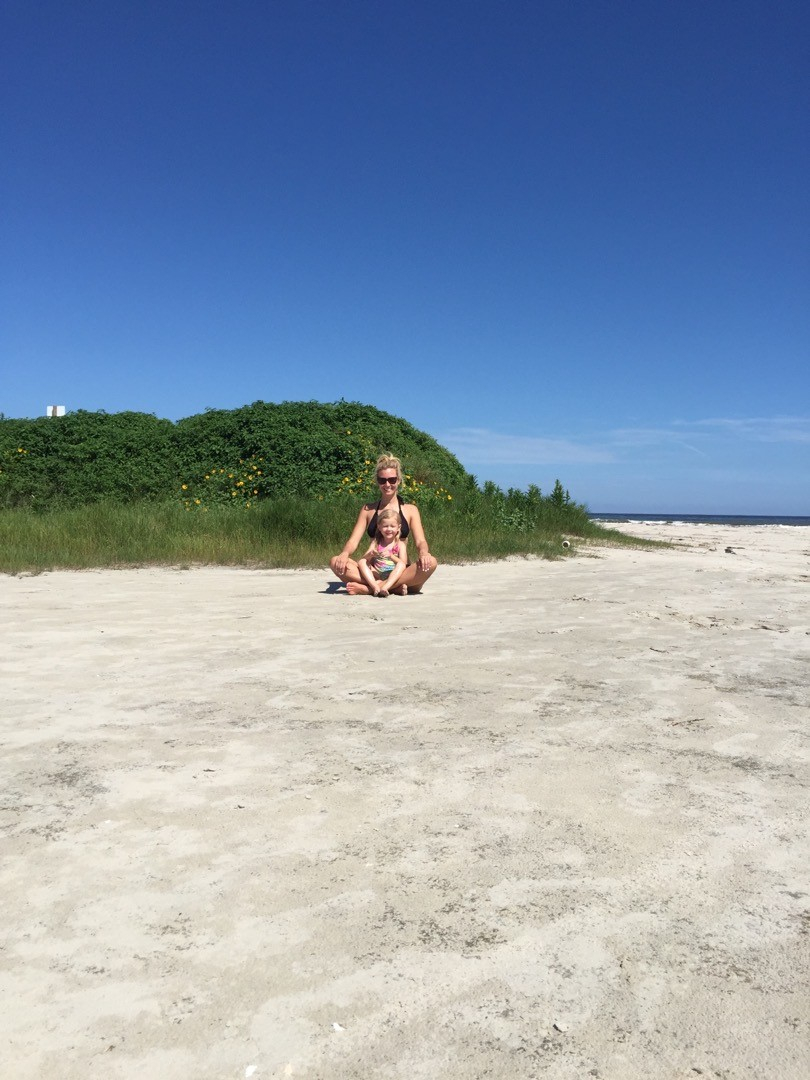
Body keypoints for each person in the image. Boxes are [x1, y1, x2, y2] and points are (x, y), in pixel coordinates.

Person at [330, 454, 438, 595]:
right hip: (374, 570)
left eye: (392, 480)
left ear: (398, 480)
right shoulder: (368, 510)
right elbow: (353, 541)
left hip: (401, 569)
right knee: (335, 561)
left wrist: (424, 553)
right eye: (382, 480)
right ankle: (393, 587)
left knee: (432, 563)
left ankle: (369, 588)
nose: (387, 484)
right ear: (378, 482)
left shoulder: (410, 510)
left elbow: (421, 541)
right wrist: (344, 554)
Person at [357, 508, 407, 597]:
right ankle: (375, 586)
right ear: (379, 527)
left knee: (401, 565)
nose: (389, 529)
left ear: (398, 527)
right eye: (385, 526)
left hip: (393, 574)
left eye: (392, 526)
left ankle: (385, 587)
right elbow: (364, 558)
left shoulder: (400, 544)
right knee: (362, 561)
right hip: (377, 573)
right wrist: (370, 554)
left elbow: (403, 563)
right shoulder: (376, 542)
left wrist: (391, 556)